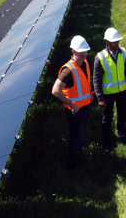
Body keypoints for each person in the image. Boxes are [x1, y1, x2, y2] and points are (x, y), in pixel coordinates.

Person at [52, 35, 93, 170]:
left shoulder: (85, 63)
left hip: (86, 106)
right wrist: (72, 105)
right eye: (80, 51)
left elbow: (84, 83)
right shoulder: (68, 70)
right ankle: (72, 166)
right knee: (75, 137)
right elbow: (55, 91)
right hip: (76, 111)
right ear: (73, 51)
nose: (83, 53)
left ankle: (78, 156)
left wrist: (89, 96)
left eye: (85, 51)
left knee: (80, 135)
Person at [93, 27, 126, 150]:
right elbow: (96, 79)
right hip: (108, 94)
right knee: (107, 119)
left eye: (118, 41)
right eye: (114, 41)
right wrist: (100, 98)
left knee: (122, 115)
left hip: (122, 92)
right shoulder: (100, 57)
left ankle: (122, 136)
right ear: (107, 42)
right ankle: (107, 143)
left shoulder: (124, 52)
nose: (117, 43)